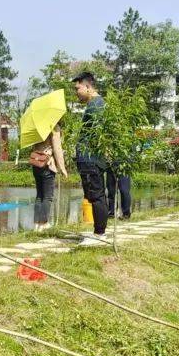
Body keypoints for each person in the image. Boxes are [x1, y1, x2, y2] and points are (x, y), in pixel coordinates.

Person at [71, 72, 109, 246]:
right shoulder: (94, 104)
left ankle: (100, 234)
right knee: (94, 195)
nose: (76, 92)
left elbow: (98, 133)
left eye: (77, 88)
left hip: (91, 158)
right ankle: (98, 232)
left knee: (97, 195)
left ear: (88, 86)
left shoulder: (96, 105)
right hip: (88, 157)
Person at [29, 125, 67, 231]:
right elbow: (57, 149)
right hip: (47, 164)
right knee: (47, 196)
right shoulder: (53, 127)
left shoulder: (36, 127)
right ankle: (44, 223)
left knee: (39, 195)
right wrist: (62, 168)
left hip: (36, 163)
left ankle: (36, 224)